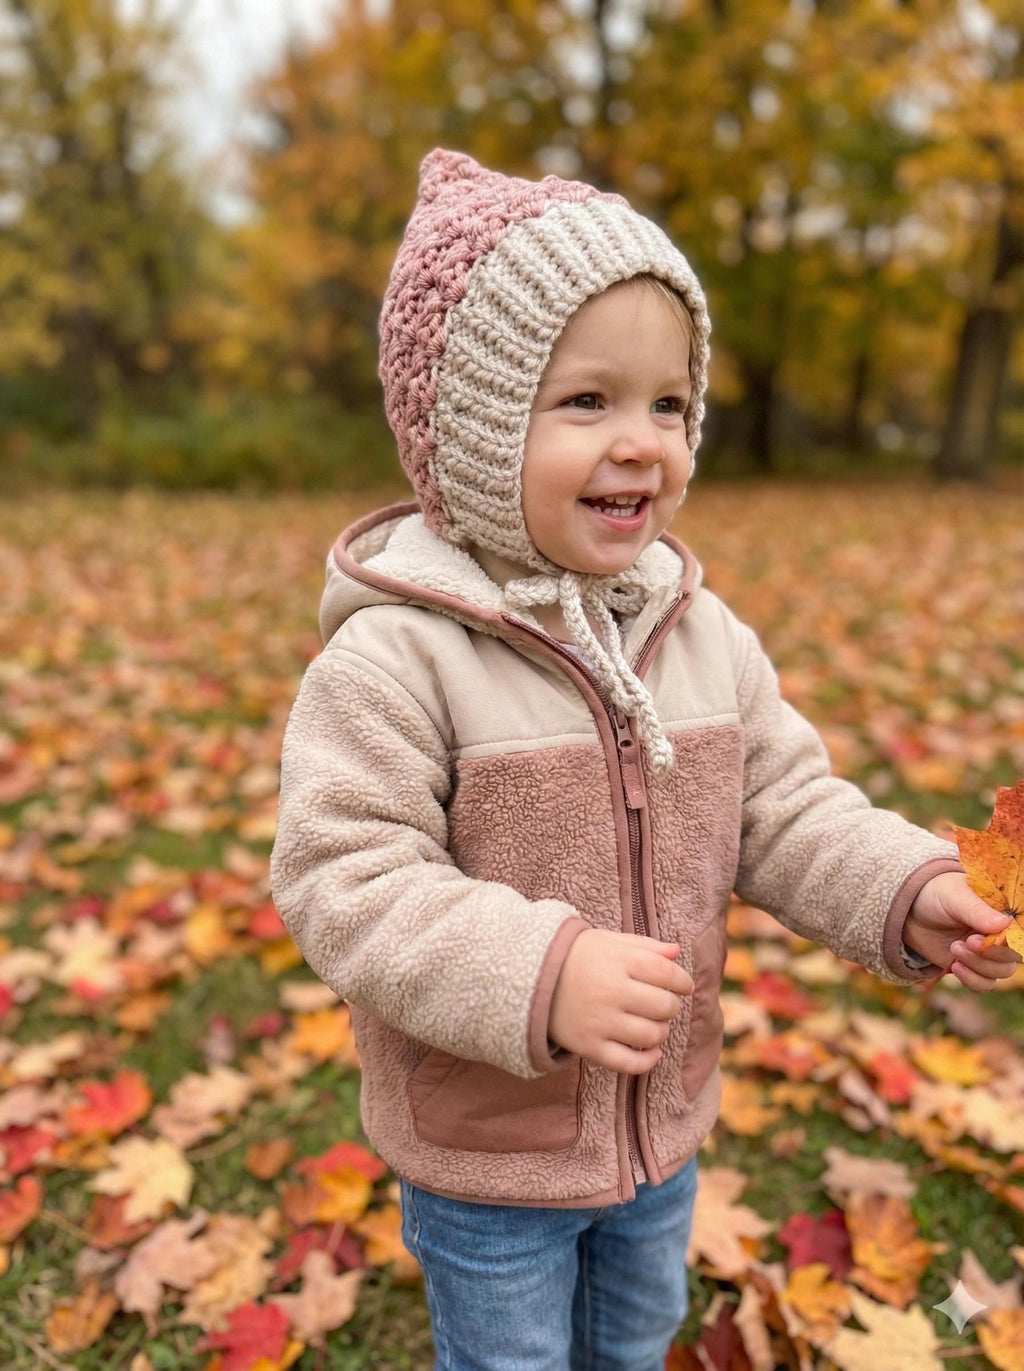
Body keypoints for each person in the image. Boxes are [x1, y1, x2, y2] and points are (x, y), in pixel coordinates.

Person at [270, 149, 1018, 1370]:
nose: (642, 444)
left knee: (635, 1339)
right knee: (512, 1357)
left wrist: (903, 886)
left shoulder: (697, 633)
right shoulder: (397, 659)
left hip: (660, 1124)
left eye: (667, 404)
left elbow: (781, 808)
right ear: (468, 432)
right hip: (490, 1150)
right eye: (586, 404)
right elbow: (340, 875)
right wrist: (539, 971)